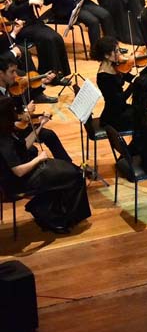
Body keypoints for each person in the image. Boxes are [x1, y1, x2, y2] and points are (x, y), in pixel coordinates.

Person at [0, 97, 90, 234]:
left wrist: (40, 125)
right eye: (12, 111)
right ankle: (56, 218)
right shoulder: (3, 140)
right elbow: (18, 171)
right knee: (75, 174)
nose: (16, 114)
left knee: (72, 172)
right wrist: (39, 159)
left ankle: (50, 210)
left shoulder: (6, 130)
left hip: (26, 170)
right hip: (18, 181)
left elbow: (23, 145)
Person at [4, 0, 72, 81]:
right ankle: (50, 76)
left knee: (57, 37)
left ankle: (60, 73)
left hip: (34, 22)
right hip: (20, 26)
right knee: (48, 39)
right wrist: (29, 2)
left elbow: (45, 2)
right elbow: (12, 11)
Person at [91, 35, 145, 132]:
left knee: (146, 114)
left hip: (121, 110)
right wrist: (133, 84)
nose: (119, 53)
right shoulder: (104, 77)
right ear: (106, 55)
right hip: (114, 118)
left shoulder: (115, 65)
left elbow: (132, 78)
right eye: (116, 51)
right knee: (146, 120)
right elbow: (120, 99)